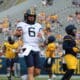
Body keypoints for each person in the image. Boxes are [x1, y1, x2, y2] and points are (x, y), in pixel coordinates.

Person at [14, 8, 43, 80]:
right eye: (30, 16)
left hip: (36, 48)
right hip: (27, 48)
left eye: (33, 16)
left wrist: (42, 36)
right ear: (26, 16)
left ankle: (26, 78)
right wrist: (17, 33)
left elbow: (43, 39)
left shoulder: (38, 25)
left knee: (37, 72)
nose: (31, 17)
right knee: (31, 70)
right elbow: (17, 34)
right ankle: (28, 77)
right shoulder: (21, 24)